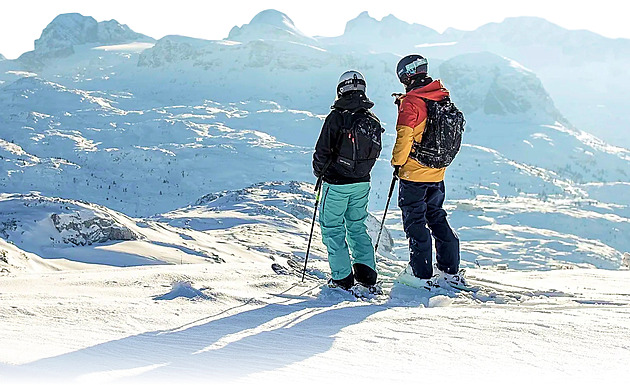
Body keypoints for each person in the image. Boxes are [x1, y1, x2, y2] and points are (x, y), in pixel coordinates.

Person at [391, 54, 466, 290]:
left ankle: (420, 275)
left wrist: (397, 163)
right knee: (437, 217)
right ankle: (449, 270)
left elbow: (405, 137)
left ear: (405, 75)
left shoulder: (412, 102)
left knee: (415, 222)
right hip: (437, 173)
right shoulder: (441, 96)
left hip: (414, 174)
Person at [313, 70, 383, 292]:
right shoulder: (371, 118)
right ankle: (367, 274)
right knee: (356, 226)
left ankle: (342, 278)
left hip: (336, 183)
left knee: (333, 227)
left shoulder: (336, 117)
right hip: (362, 182)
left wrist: (320, 173)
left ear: (341, 89)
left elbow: (322, 150)